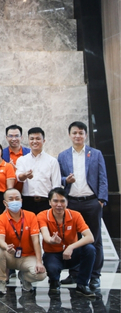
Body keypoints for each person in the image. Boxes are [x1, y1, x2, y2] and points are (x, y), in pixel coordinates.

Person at [57, 121, 108, 291]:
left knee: (95, 239)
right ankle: (75, 273)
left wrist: (101, 200)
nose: (77, 136)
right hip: (71, 202)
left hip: (92, 202)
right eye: (74, 133)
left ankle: (94, 276)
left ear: (85, 135)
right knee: (73, 239)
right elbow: (59, 178)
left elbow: (103, 178)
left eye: (80, 133)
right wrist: (66, 180)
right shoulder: (63, 155)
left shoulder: (96, 154)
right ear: (69, 135)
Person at [37, 188, 96, 297]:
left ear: (67, 202)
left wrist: (71, 247)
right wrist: (52, 240)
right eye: (55, 201)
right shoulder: (42, 215)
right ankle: (54, 281)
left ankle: (82, 285)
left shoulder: (76, 215)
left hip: (71, 254)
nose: (59, 204)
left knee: (90, 249)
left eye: (62, 201)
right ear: (50, 202)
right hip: (53, 254)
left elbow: (90, 237)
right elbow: (45, 236)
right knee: (52, 268)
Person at [0, 188, 46, 295]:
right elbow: (0, 239)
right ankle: (1, 281)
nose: (14, 201)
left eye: (17, 198)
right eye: (11, 199)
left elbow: (36, 241)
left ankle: (24, 277)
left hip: (28, 256)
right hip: (10, 255)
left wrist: (39, 261)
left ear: (21, 200)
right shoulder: (1, 218)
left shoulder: (31, 216)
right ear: (5, 203)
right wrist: (6, 247)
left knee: (41, 275)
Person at [15, 127, 62, 214]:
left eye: (38, 138)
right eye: (32, 139)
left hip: (46, 201)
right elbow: (19, 177)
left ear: (43, 141)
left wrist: (55, 202)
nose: (34, 141)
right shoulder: (22, 160)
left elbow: (56, 185)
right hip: (27, 201)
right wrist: (25, 175)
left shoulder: (52, 161)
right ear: (28, 140)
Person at [2, 124, 30, 193]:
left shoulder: (29, 153)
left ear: (21, 137)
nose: (14, 139)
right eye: (11, 136)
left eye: (17, 136)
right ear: (6, 138)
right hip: (7, 191)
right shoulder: (1, 154)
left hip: (27, 191)